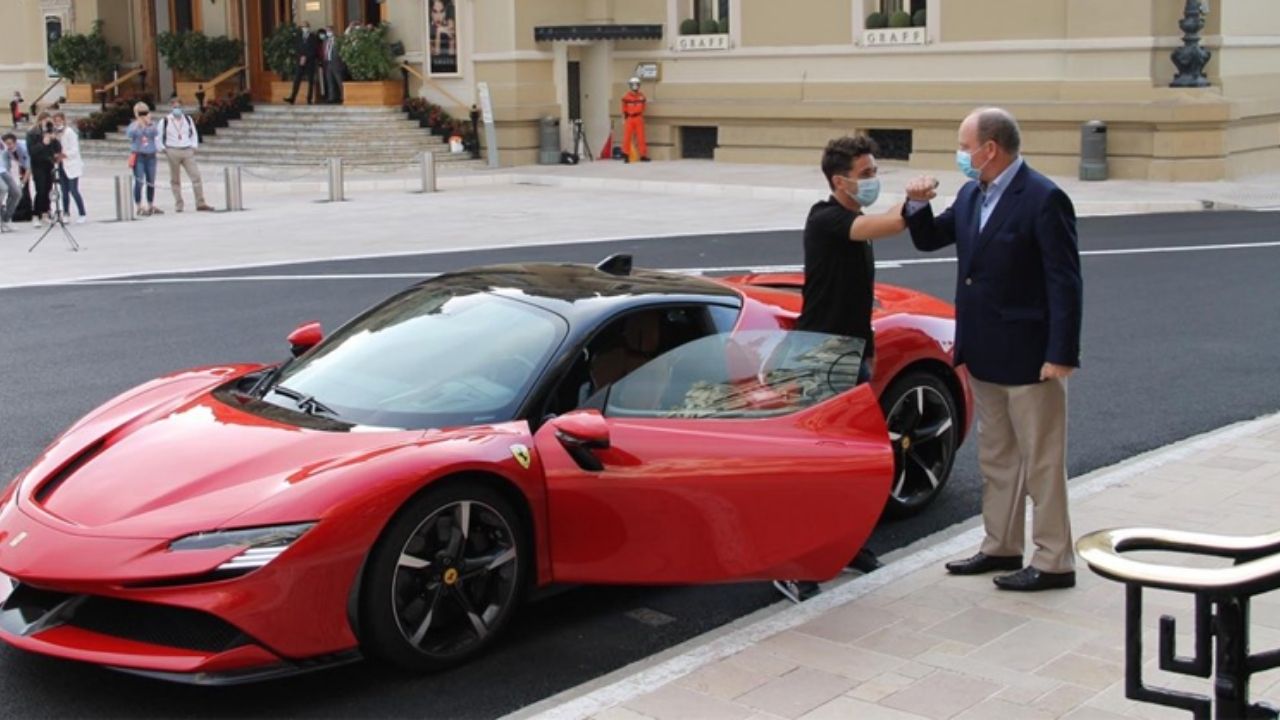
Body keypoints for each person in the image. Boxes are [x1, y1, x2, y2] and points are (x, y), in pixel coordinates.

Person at [903, 107, 1082, 592]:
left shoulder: (1043, 198)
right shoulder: (970, 193)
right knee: (997, 457)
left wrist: (1061, 352)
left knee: (1042, 462)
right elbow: (930, 239)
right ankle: (1001, 544)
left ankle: (1053, 560)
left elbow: (1064, 282)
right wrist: (915, 205)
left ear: (990, 149)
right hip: (983, 349)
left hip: (1031, 357)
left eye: (964, 147)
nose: (960, 156)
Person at [771, 134, 908, 605]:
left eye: (875, 172)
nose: (874, 181)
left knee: (849, 465)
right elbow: (884, 226)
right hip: (818, 356)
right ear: (839, 180)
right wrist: (915, 203)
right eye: (867, 174)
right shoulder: (826, 218)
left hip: (854, 355)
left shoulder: (849, 218)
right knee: (809, 468)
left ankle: (845, 547)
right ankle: (791, 564)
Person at [157, 96, 213, 213]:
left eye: (179, 107)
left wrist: (193, 146)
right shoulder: (165, 121)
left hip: (187, 150)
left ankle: (200, 202)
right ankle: (179, 204)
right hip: (172, 149)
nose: (177, 109)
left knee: (196, 176)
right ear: (171, 107)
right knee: (175, 179)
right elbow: (159, 136)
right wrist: (163, 149)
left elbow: (193, 133)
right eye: (175, 107)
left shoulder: (187, 119)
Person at [126, 101, 163, 217]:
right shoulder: (133, 125)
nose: (143, 115)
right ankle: (138, 205)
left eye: (145, 112)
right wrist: (139, 124)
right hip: (139, 155)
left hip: (151, 156)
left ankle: (150, 204)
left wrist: (148, 123)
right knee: (139, 181)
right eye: (140, 113)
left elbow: (156, 133)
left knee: (151, 181)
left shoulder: (152, 125)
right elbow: (130, 134)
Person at [25, 111, 61, 229]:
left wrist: (55, 139)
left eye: (49, 121)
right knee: (40, 189)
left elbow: (57, 149)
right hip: (38, 164)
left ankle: (46, 212)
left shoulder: (51, 131)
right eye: (46, 121)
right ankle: (36, 214)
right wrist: (43, 143)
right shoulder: (32, 133)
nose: (47, 123)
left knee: (48, 189)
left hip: (49, 164)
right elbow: (32, 152)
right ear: (40, 120)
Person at [52, 112, 85, 224]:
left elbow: (74, 150)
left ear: (63, 120)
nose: (57, 123)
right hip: (61, 165)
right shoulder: (55, 134)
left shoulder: (69, 132)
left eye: (59, 120)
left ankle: (82, 213)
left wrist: (63, 155)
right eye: (55, 121)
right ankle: (66, 213)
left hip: (71, 164)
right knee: (64, 191)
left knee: (73, 190)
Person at [286, 22, 322, 105]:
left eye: (306, 27)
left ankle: (309, 99)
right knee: (296, 79)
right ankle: (292, 97)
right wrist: (300, 57)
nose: (304, 28)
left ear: (308, 28)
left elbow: (314, 50)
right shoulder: (298, 37)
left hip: (310, 62)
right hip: (300, 62)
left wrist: (306, 57)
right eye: (303, 27)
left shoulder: (313, 37)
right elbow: (297, 48)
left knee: (310, 81)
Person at [1, 132, 30, 232]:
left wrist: (22, 182)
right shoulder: (5, 147)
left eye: (10, 144)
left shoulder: (22, 147)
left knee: (17, 193)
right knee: (3, 189)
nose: (8, 146)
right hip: (2, 170)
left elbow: (28, 167)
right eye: (7, 144)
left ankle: (6, 219)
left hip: (4, 170)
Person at [620, 77, 649, 162]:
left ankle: (643, 155)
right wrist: (623, 118)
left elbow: (643, 107)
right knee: (627, 137)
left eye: (637, 84)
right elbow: (623, 108)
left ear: (639, 85)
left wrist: (639, 113)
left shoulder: (642, 96)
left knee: (641, 137)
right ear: (630, 85)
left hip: (639, 118)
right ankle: (626, 155)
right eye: (633, 85)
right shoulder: (626, 96)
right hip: (629, 118)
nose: (635, 86)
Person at [321, 25, 345, 104]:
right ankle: (331, 97)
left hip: (336, 62)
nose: (328, 32)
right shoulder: (325, 40)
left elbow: (342, 51)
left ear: (333, 31)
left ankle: (343, 96)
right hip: (327, 62)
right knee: (329, 80)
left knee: (339, 80)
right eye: (327, 31)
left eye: (329, 31)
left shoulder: (338, 40)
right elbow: (324, 50)